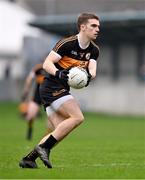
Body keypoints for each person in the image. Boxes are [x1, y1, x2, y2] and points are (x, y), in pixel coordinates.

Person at [19, 12, 100, 169]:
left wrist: (88, 77)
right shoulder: (66, 44)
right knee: (77, 117)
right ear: (83, 27)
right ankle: (43, 148)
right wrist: (58, 73)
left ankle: (28, 159)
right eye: (93, 26)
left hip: (60, 89)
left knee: (59, 131)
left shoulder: (94, 50)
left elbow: (93, 70)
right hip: (51, 86)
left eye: (98, 26)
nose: (97, 29)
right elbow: (47, 63)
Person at [20, 63, 53, 140]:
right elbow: (29, 78)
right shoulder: (38, 68)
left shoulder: (53, 69)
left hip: (48, 96)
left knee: (51, 118)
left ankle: (46, 136)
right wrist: (26, 91)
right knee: (30, 116)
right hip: (37, 96)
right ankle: (30, 129)